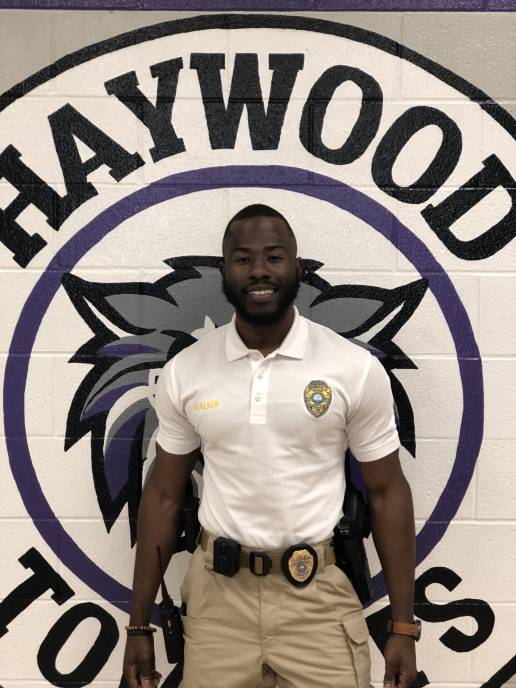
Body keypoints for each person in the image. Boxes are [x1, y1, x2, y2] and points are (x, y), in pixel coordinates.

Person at [123, 204, 418, 688]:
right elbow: (163, 495)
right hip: (217, 604)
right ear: (224, 270)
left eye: (274, 257)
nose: (259, 270)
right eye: (243, 259)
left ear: (297, 267)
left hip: (318, 602)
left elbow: (388, 493)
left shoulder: (352, 368)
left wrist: (404, 625)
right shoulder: (187, 370)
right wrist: (139, 624)